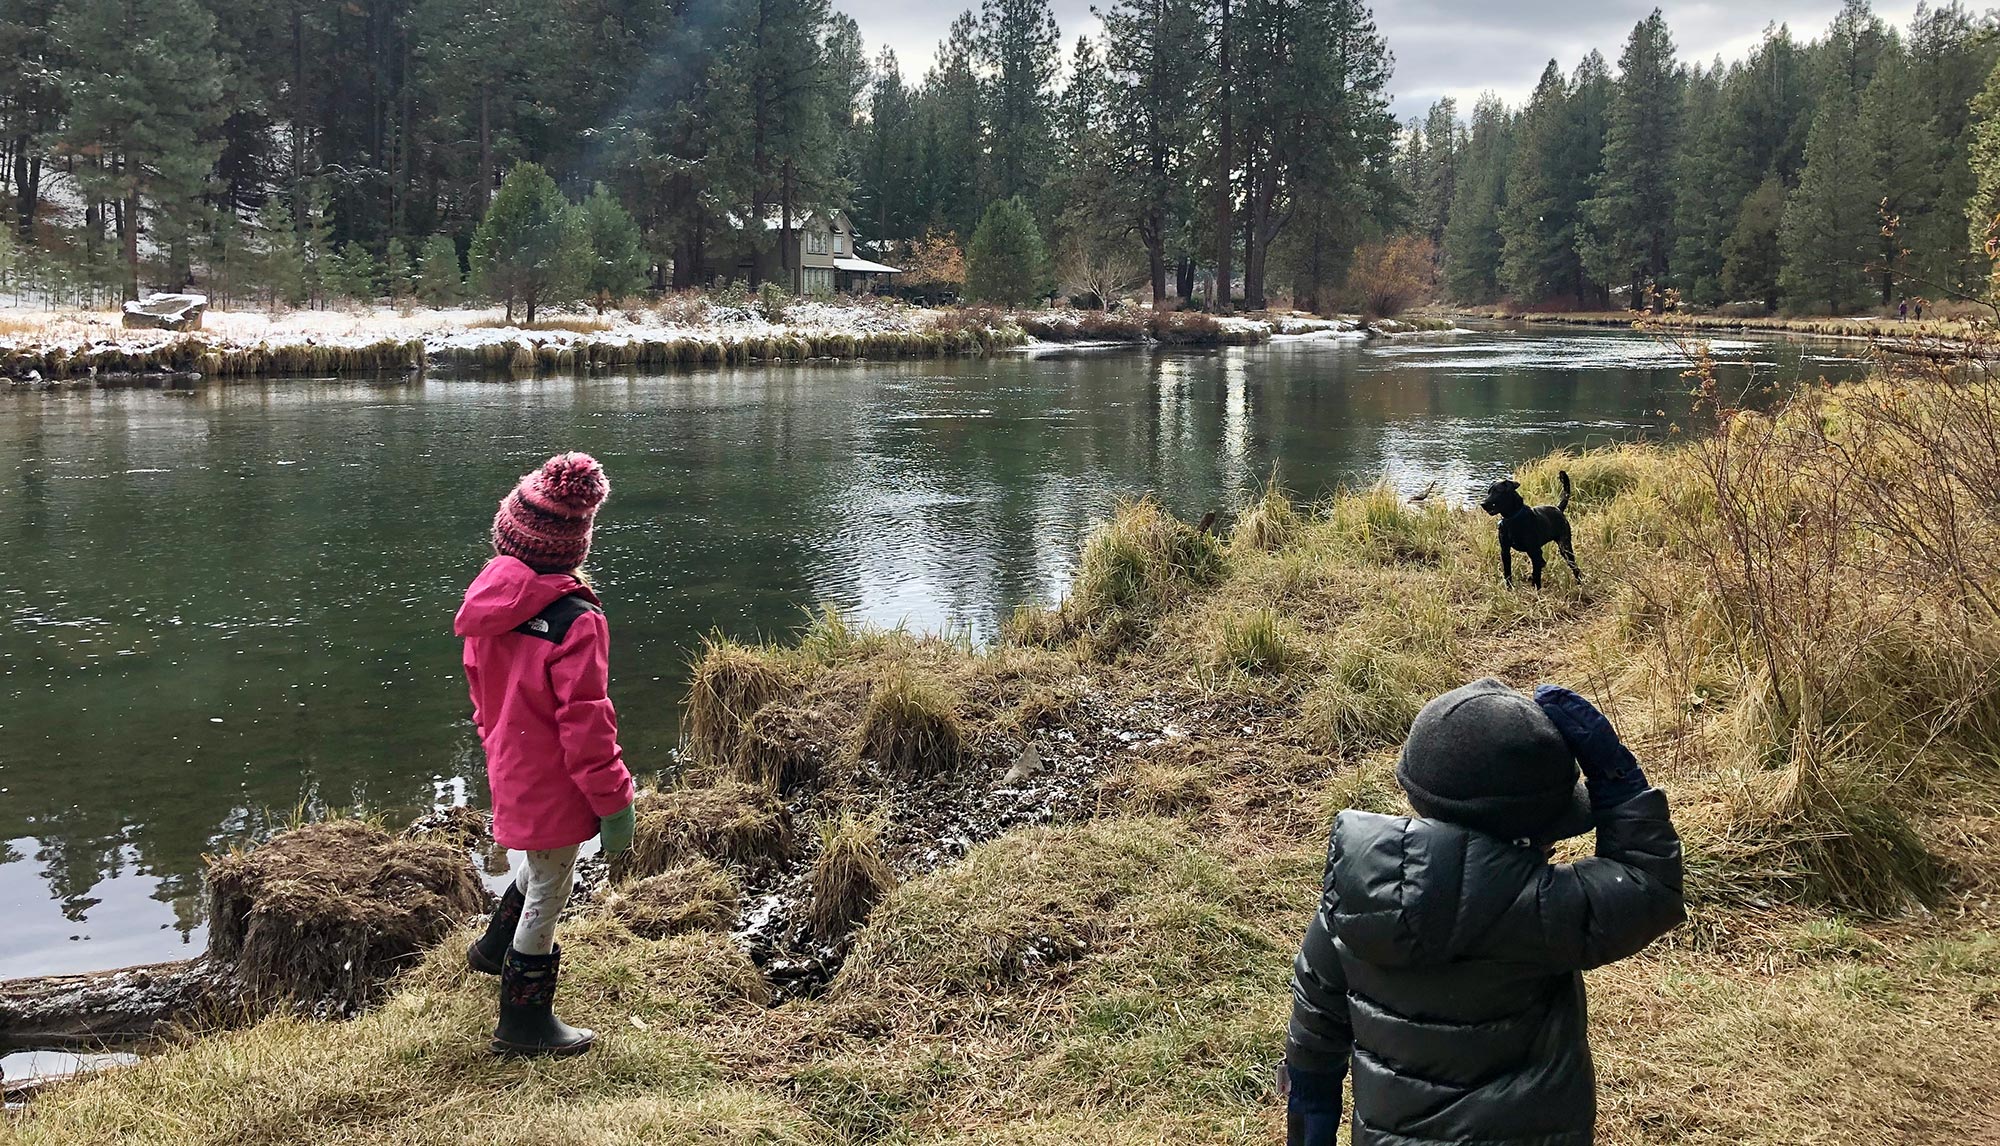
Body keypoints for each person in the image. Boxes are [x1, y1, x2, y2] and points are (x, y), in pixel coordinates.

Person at [1284, 678, 1684, 1146]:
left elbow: (1313, 1040)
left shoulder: (1352, 899)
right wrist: (1619, 784)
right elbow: (1648, 888)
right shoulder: (1536, 907)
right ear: (1522, 837)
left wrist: (1310, 1123)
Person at [455, 451, 637, 1057]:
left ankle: (489, 951)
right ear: (575, 546)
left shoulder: (486, 601)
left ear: (509, 532)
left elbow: (481, 692)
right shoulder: (574, 620)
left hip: (508, 762)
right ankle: (523, 1022)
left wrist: (495, 739)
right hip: (554, 779)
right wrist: (616, 804)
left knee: (534, 860)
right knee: (550, 887)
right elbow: (588, 726)